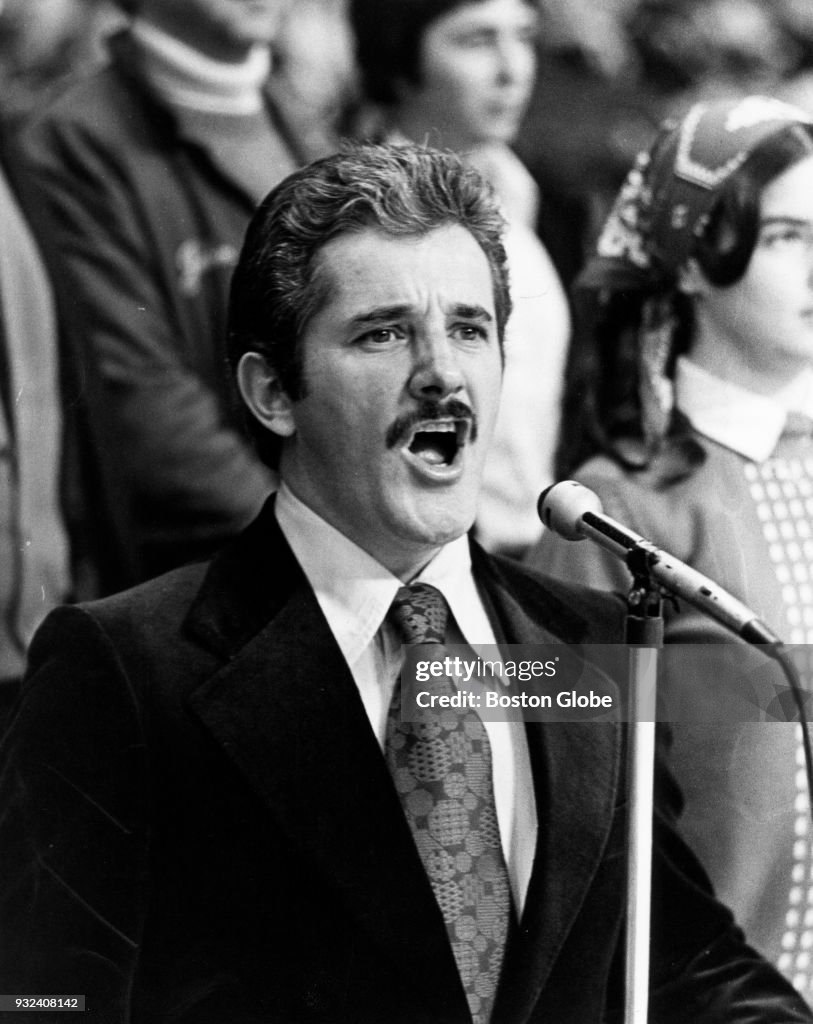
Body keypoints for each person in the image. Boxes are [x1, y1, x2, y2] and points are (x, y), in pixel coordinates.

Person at [1, 141, 811, 1023]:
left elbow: (684, 963)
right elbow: (49, 1000)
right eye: (384, 332)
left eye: (469, 329)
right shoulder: (124, 668)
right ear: (273, 392)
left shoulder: (592, 646)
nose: (442, 373)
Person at [529, 95, 813, 1002]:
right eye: (785, 237)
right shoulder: (612, 512)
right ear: (695, 260)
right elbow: (576, 828)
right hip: (716, 999)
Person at [12, 0, 307, 586]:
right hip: (215, 590)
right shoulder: (73, 144)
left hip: (336, 562)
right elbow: (146, 413)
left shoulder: (300, 123)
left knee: (518, 675)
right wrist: (319, 549)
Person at [349, 0, 571, 557]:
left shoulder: (521, 191)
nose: (512, 69)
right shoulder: (365, 222)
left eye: (523, 37)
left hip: (534, 540)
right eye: (476, 41)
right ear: (401, 58)